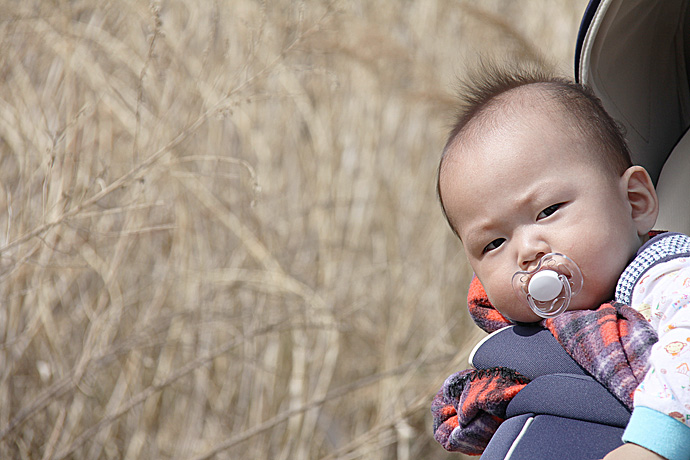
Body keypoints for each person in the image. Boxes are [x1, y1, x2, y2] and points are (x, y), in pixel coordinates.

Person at [433, 65, 690, 460]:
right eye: (494, 242)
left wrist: (653, 445)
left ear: (634, 202)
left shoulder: (665, 276)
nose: (527, 250)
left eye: (548, 210)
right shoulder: (513, 341)